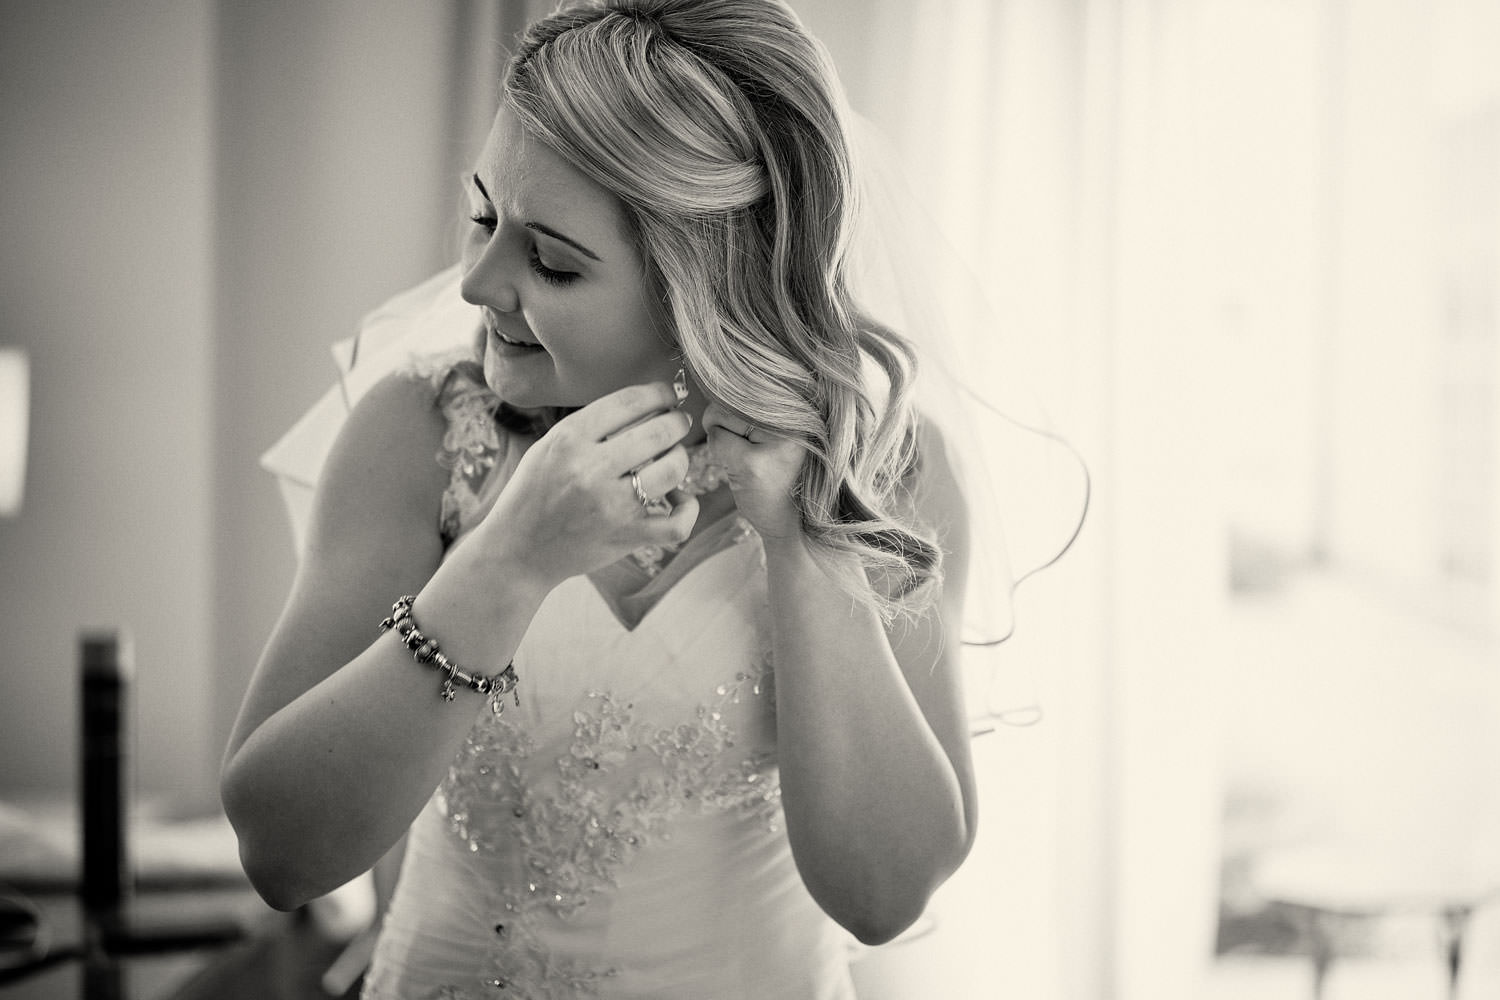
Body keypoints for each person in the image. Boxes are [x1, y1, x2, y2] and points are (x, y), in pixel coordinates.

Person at [221, 1, 990, 996]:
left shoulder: (888, 472)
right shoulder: (415, 438)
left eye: (549, 259)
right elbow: (279, 852)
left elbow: (885, 897)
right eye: (483, 218)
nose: (475, 284)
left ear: (709, 286)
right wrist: (510, 560)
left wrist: (804, 546)